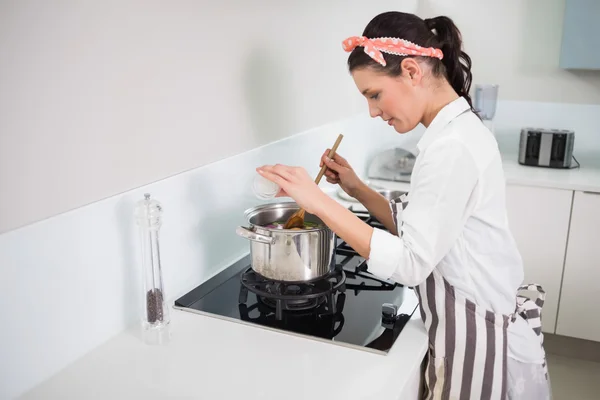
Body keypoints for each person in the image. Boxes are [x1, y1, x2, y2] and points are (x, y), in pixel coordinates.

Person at [257, 11, 552, 400]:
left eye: (374, 95)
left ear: (412, 71)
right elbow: (423, 225)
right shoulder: (452, 132)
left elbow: (412, 260)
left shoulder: (453, 148)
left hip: (475, 332)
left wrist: (319, 203)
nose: (373, 112)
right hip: (467, 320)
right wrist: (357, 188)